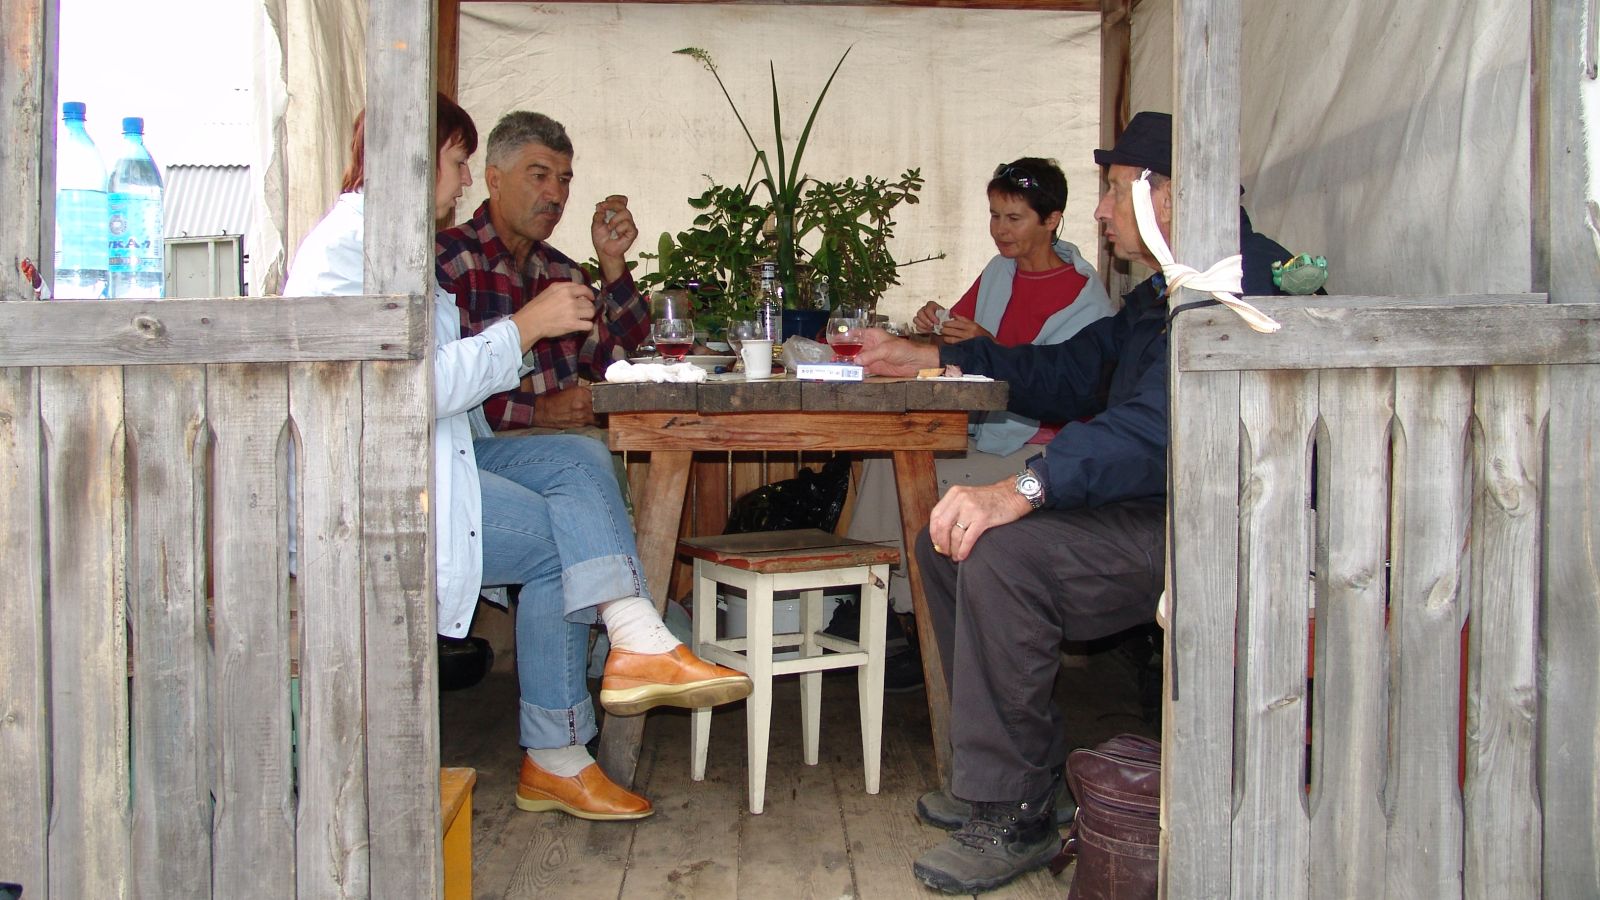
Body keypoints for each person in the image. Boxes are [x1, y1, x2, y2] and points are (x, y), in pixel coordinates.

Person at [855, 111, 1294, 893]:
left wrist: (1026, 486)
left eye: (1116, 190)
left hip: (1218, 525)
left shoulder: (1235, 285)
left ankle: (1016, 809)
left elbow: (1158, 430)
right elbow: (1068, 371)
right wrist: (938, 355)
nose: (1100, 210)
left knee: (1004, 554)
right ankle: (1023, 774)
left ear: (1170, 194)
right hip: (1157, 505)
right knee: (943, 540)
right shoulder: (1167, 291)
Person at [284, 94, 750, 823]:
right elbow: (408, 387)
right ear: (417, 159)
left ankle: (635, 638)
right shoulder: (369, 249)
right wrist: (525, 331)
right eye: (459, 161)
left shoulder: (404, 244)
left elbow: (612, 354)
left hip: (441, 452)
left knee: (581, 460)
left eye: (564, 179)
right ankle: (560, 750)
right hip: (373, 486)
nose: (465, 178)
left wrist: (609, 271)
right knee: (564, 540)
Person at [843, 158, 1113, 670]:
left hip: (1040, 448)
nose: (1000, 230)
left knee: (913, 469)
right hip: (982, 430)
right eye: (994, 216)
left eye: (1014, 218)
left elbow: (1060, 384)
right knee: (887, 457)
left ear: (1052, 219)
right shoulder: (999, 271)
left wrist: (988, 344)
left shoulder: (1085, 298)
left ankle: (908, 620)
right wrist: (936, 323)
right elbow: (961, 342)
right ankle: (877, 605)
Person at [436, 110, 649, 432]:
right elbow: (431, 389)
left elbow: (625, 362)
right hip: (473, 453)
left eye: (564, 180)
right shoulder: (447, 260)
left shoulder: (563, 272)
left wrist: (612, 262)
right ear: (495, 180)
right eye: (539, 176)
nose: (556, 195)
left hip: (561, 447)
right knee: (589, 455)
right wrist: (538, 411)